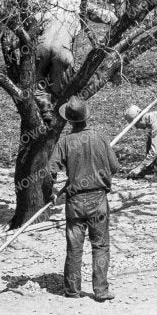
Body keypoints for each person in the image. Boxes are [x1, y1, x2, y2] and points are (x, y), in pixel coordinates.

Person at [44, 96, 114, 301]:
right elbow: (115, 166)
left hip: (75, 203)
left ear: (69, 120)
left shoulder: (65, 142)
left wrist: (51, 192)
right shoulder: (100, 138)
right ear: (86, 117)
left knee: (74, 248)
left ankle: (72, 290)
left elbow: (50, 171)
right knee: (100, 246)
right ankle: (101, 290)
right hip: (98, 199)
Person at [35, 0, 117, 92]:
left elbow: (34, 22)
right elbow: (110, 16)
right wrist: (120, 23)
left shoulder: (51, 2)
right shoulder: (81, 5)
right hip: (62, 53)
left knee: (37, 88)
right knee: (58, 92)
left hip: (42, 47)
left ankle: (37, 99)